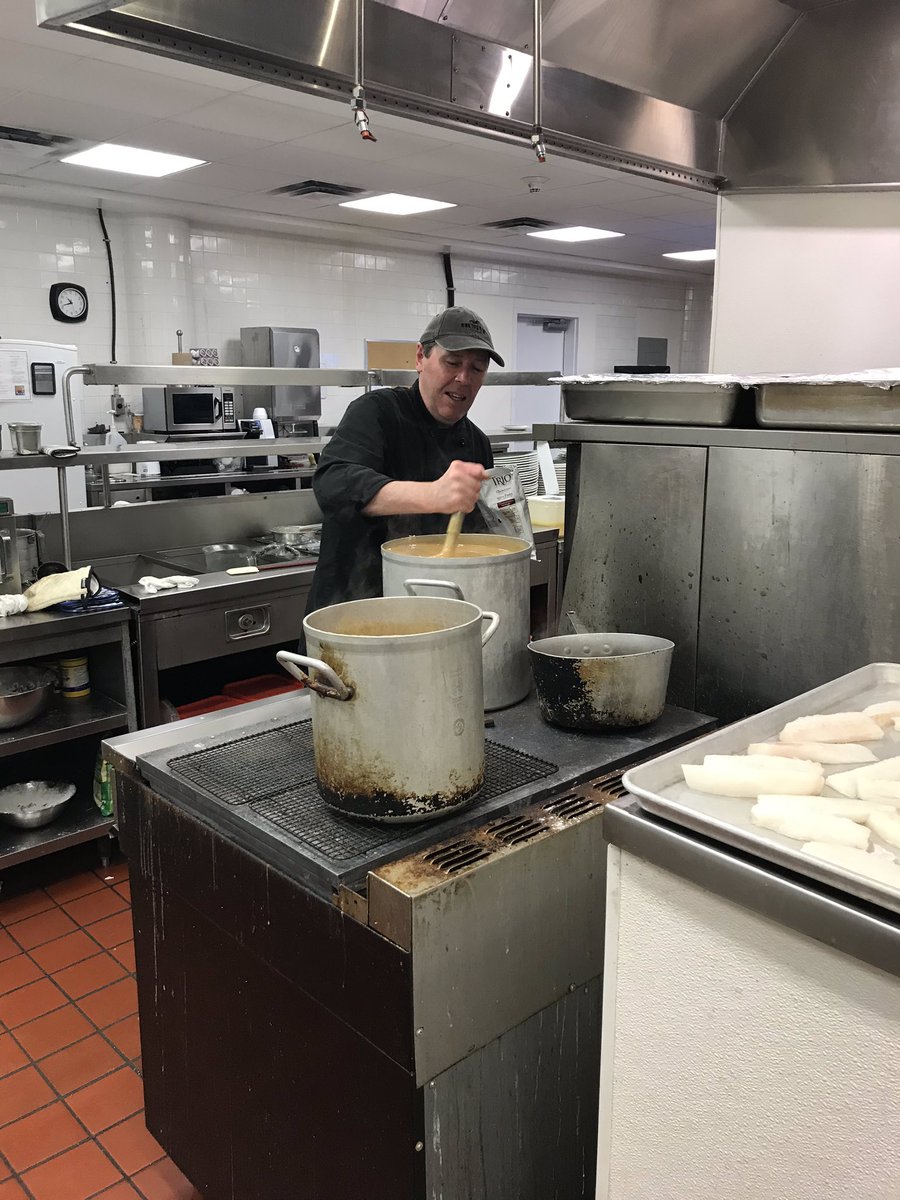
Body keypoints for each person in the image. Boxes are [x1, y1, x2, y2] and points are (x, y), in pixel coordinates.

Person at [304, 305, 504, 616]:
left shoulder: (476, 442)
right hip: (353, 614)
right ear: (420, 358)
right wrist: (432, 495)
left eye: (477, 369)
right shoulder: (376, 412)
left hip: (434, 612)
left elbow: (479, 534)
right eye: (452, 362)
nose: (463, 378)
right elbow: (333, 483)